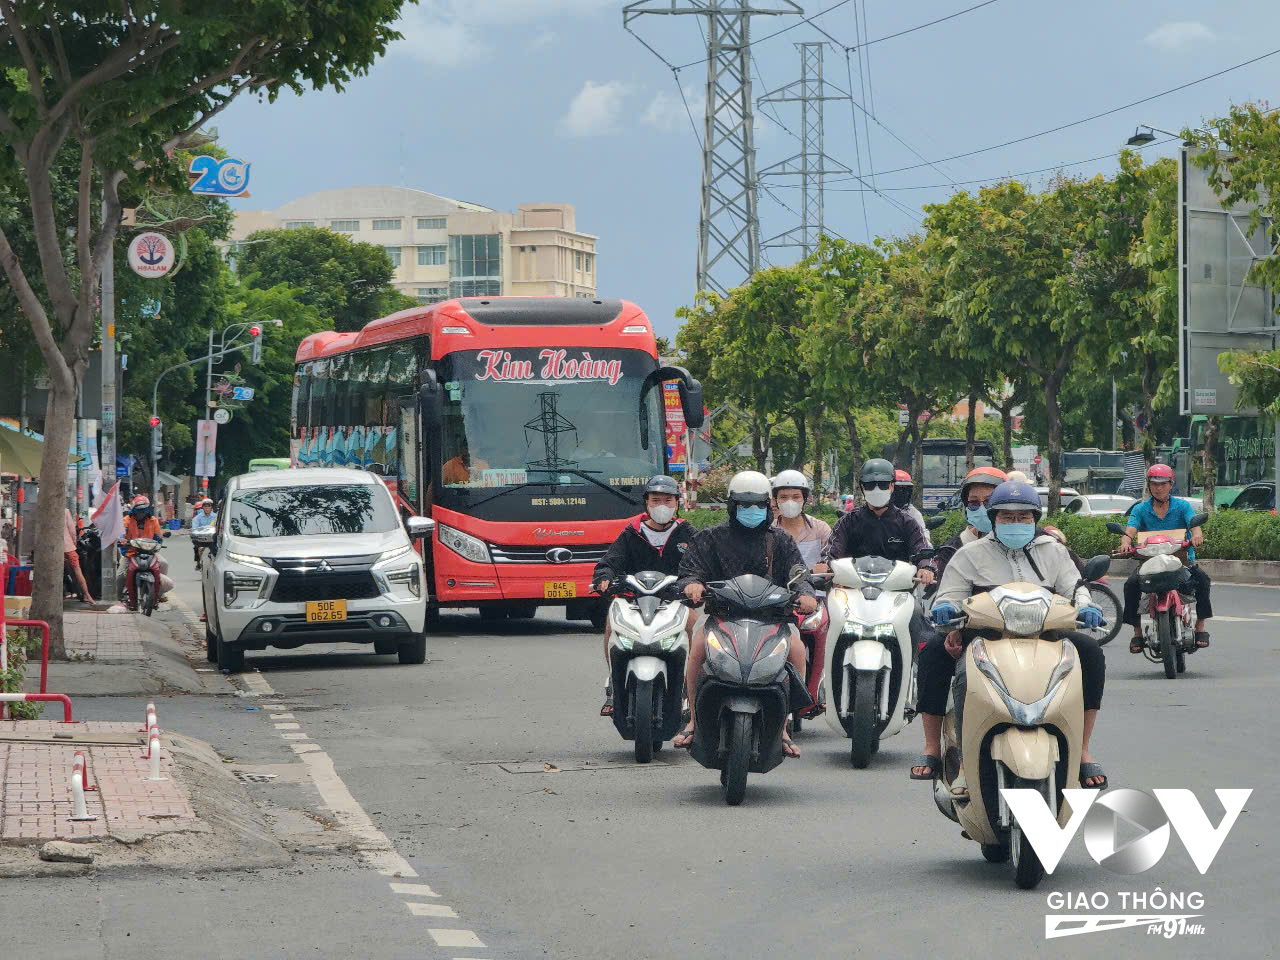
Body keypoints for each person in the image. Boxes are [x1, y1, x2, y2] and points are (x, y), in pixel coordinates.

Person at [914, 480, 1108, 789]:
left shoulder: (1054, 552)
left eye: (1023, 518)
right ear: (994, 519)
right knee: (939, 656)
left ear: (1035, 520)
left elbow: (1075, 588)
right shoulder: (970, 555)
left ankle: (1082, 750)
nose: (1015, 523)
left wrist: (1087, 607)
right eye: (1006, 517)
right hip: (984, 640)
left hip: (1047, 639)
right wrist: (947, 612)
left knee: (1091, 653)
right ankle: (938, 751)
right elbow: (948, 596)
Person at [672, 471, 818, 757]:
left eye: (758, 505)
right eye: (744, 505)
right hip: (721, 617)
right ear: (732, 505)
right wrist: (691, 585)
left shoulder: (781, 541)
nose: (752, 511)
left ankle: (785, 725)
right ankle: (693, 720)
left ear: (768, 505)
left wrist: (806, 594)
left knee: (798, 651)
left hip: (773, 618)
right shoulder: (710, 538)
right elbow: (690, 570)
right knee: (698, 647)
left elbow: (800, 576)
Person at [591, 475, 697, 717]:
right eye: (656, 500)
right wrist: (604, 578)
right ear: (646, 503)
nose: (662, 505)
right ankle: (613, 685)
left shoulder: (688, 534)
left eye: (668, 500)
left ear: (677, 503)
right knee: (611, 623)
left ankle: (688, 689)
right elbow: (609, 562)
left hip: (675, 601)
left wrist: (696, 585)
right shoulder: (631, 533)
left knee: (693, 624)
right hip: (633, 600)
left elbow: (703, 563)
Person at [1119, 463, 1211, 653]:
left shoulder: (1182, 506)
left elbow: (1194, 524)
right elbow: (1130, 529)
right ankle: (1137, 632)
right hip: (1150, 563)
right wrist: (1125, 542)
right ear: (1149, 485)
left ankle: (1200, 627)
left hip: (1182, 561)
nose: (1159, 488)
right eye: (1154, 484)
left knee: (1202, 579)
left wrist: (1196, 535)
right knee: (1130, 585)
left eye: (1163, 483)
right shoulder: (1141, 509)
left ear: (1171, 484)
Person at [771, 469, 833, 713]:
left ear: (805, 498)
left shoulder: (820, 529)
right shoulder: (768, 530)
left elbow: (833, 559)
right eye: (783, 496)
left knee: (827, 630)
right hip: (776, 600)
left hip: (815, 599)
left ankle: (816, 691)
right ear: (775, 500)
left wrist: (827, 566)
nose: (789, 502)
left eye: (795, 496)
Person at [933, 467, 1008, 581]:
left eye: (989, 502)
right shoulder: (952, 549)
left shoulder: (1031, 543)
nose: (982, 508)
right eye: (974, 502)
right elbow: (946, 594)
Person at [119, 496, 164, 611]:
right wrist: (122, 539)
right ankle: (118, 599)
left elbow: (158, 537)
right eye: (139, 510)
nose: (141, 512)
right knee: (120, 575)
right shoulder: (127, 520)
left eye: (144, 509)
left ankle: (158, 595)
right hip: (131, 553)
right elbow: (121, 534)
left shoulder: (153, 521)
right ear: (134, 510)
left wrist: (158, 542)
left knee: (164, 564)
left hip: (149, 552)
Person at [63, 507, 92, 602]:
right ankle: (86, 595)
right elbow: (72, 531)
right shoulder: (66, 511)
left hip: (52, 549)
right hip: (68, 546)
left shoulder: (45, 510)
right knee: (77, 570)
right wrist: (73, 543)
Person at [892, 469, 929, 541]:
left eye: (906, 489)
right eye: (899, 489)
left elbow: (923, 536)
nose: (903, 493)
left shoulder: (913, 513)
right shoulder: (879, 510)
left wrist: (926, 548)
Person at [192, 498, 217, 568]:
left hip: (212, 538)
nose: (207, 508)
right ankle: (198, 562)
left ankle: (215, 562)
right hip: (201, 538)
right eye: (205, 506)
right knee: (197, 548)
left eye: (209, 506)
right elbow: (195, 529)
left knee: (216, 549)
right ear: (203, 507)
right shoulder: (197, 518)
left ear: (211, 507)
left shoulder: (216, 517)